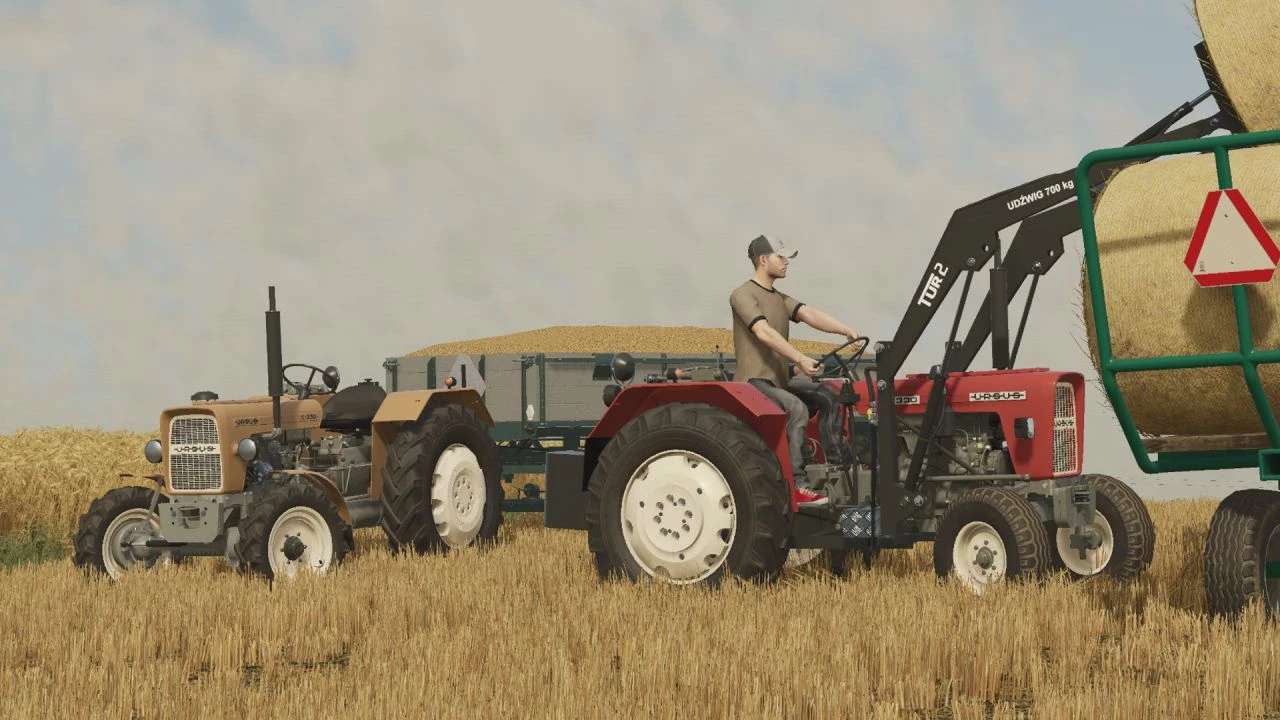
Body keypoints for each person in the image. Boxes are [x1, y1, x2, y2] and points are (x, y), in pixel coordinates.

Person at [729, 235, 860, 507]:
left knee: (830, 396)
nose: (786, 262)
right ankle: (797, 485)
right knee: (796, 409)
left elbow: (808, 313)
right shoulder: (742, 294)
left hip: (779, 381)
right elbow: (763, 331)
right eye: (780, 257)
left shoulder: (779, 298)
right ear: (763, 260)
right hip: (753, 382)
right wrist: (799, 358)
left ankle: (840, 470)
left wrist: (845, 330)